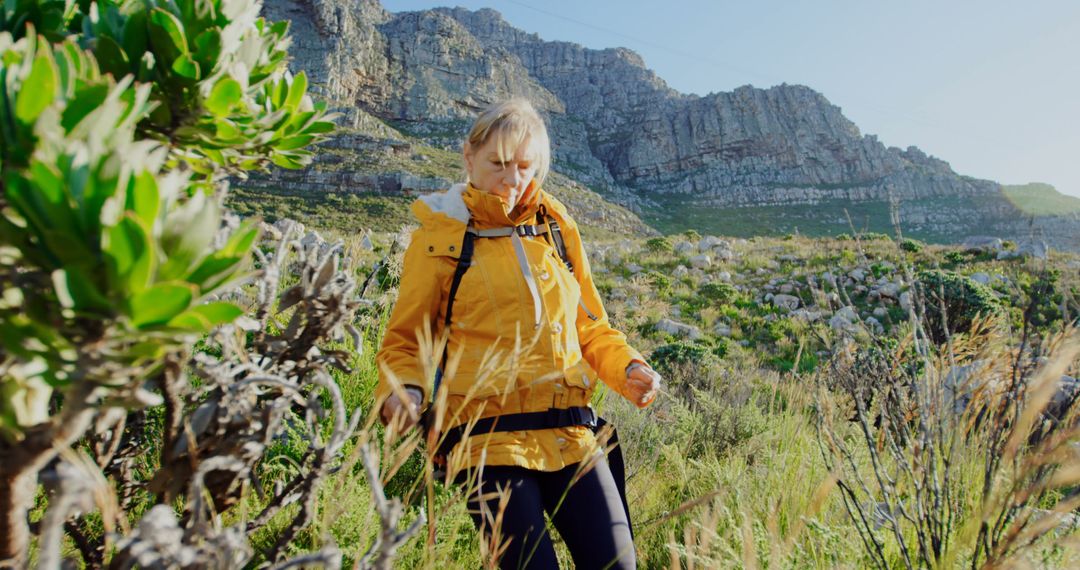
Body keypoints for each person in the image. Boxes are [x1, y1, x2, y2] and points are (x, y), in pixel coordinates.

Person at [374, 98, 662, 569]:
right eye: (499, 164)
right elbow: (405, 341)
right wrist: (402, 391)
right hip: (486, 442)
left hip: (572, 432)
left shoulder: (556, 227)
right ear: (469, 157)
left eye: (525, 166)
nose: (513, 180)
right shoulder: (440, 236)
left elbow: (590, 325)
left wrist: (628, 366)